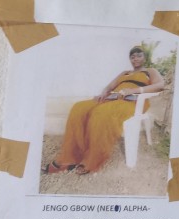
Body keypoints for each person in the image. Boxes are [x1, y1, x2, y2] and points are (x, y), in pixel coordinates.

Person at [44, 46, 164, 175]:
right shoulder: (125, 73)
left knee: (100, 113)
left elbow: (160, 85)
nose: (136, 59)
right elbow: (110, 86)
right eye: (132, 56)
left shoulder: (150, 71)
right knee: (78, 108)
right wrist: (104, 93)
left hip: (134, 102)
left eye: (139, 55)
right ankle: (69, 158)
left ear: (144, 57)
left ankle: (92, 159)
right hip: (113, 98)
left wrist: (135, 90)